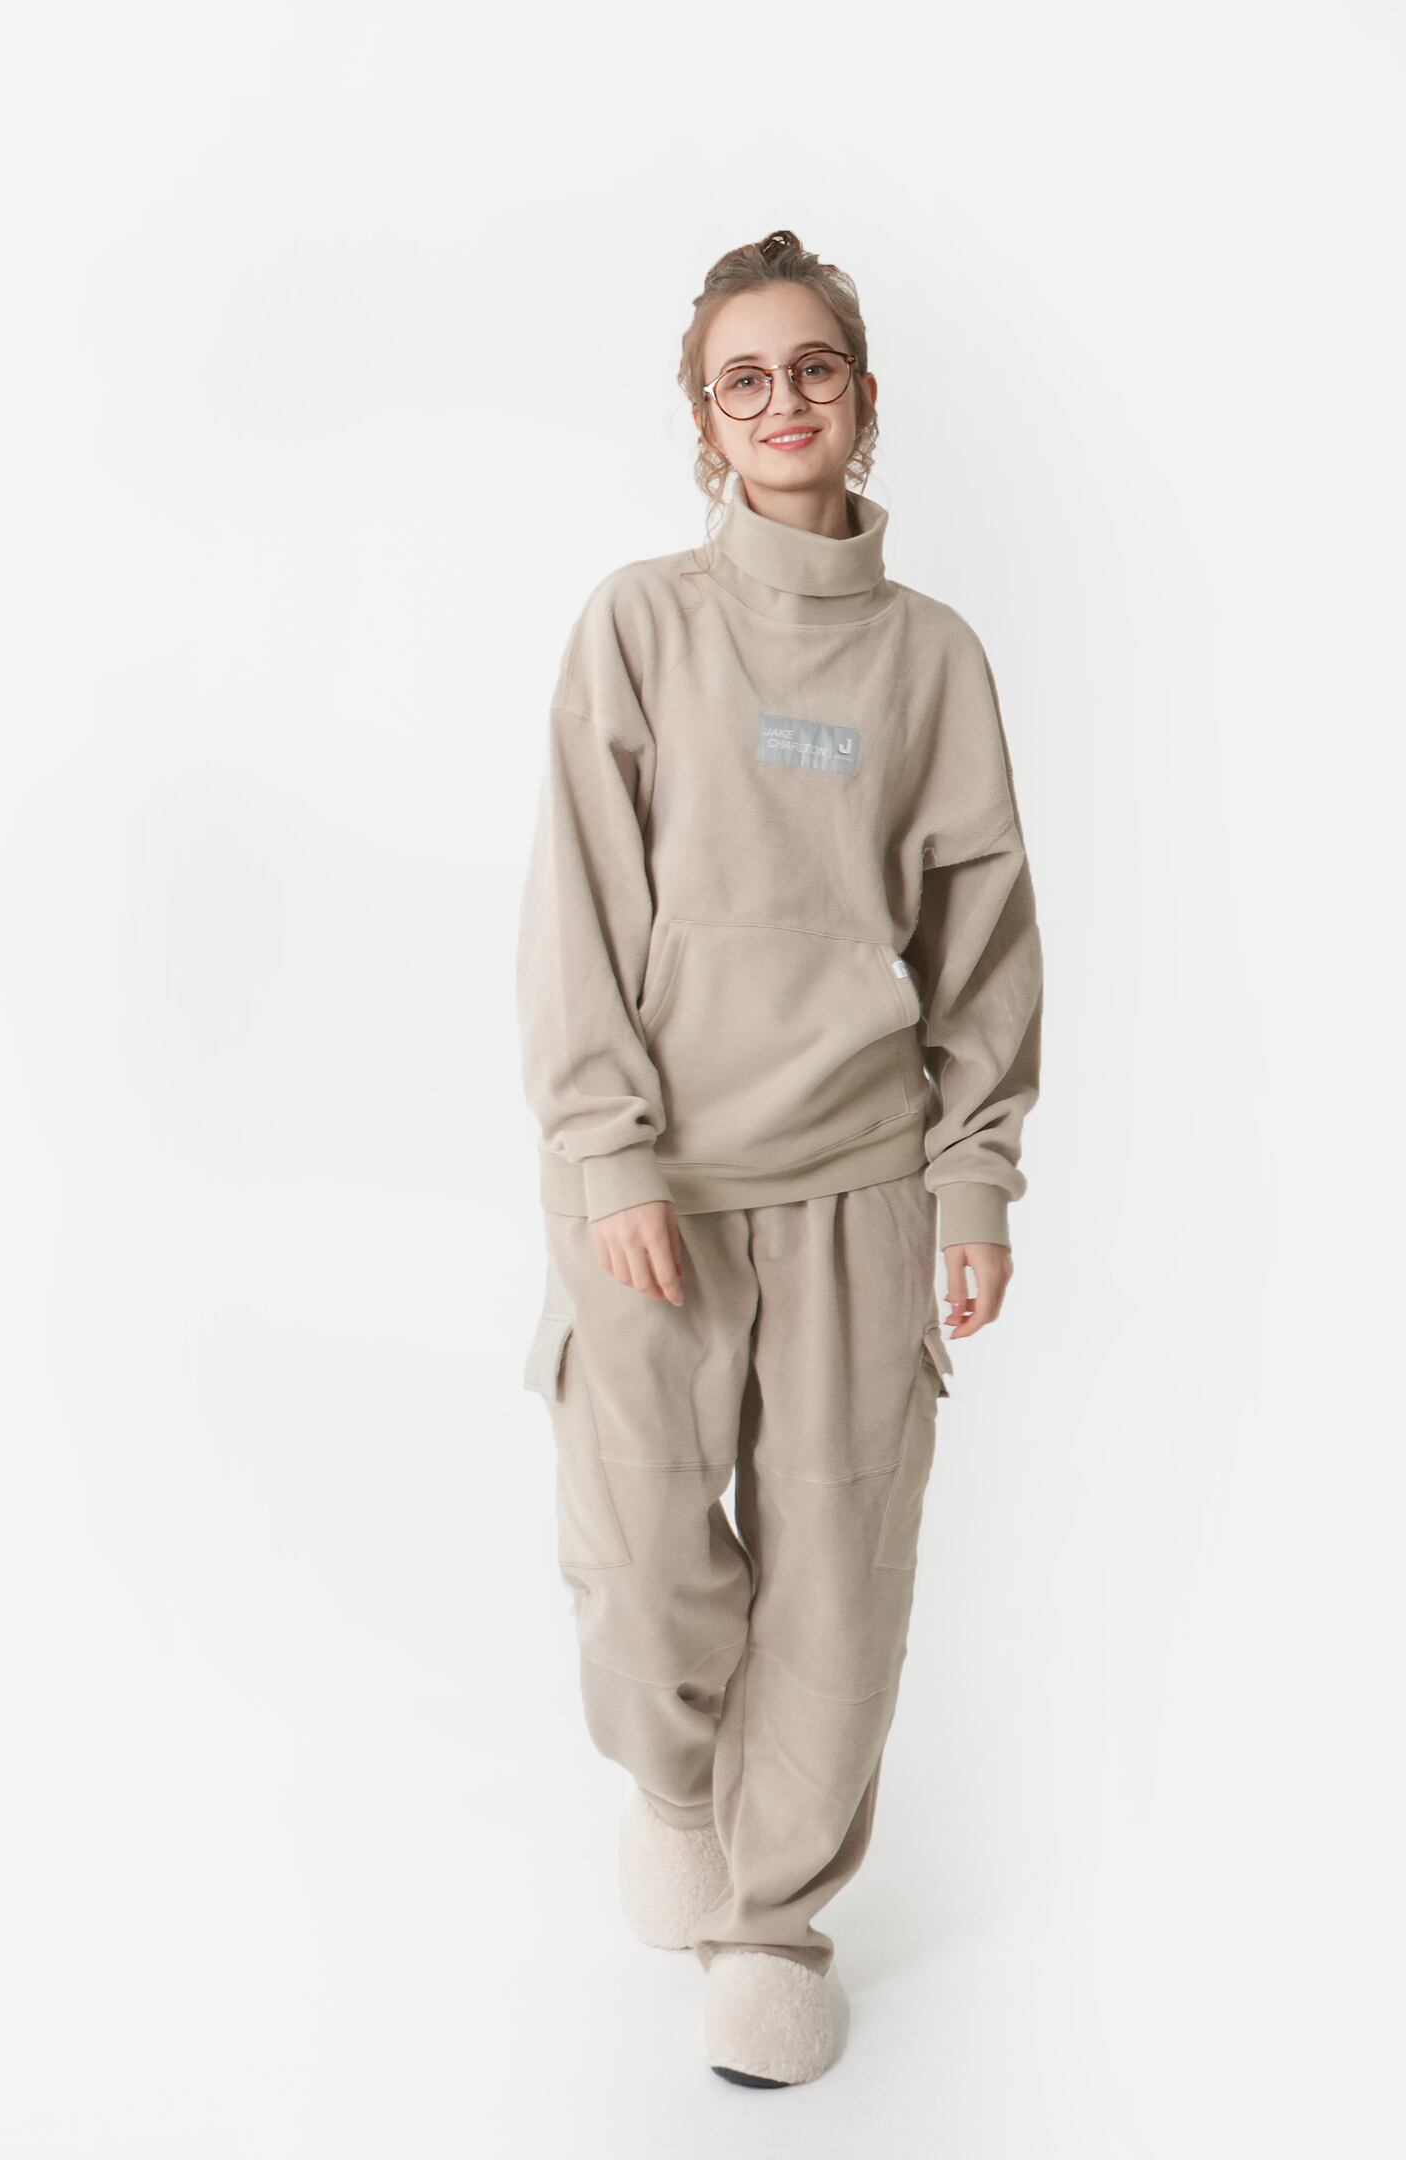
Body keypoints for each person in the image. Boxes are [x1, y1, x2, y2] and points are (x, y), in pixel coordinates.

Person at [514, 227, 1043, 2087]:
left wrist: (972, 1180)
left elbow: (982, 945)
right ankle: (680, 1794)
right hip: (655, 1191)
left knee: (835, 1593)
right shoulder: (640, 627)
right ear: (704, 420)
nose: (784, 401)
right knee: (640, 1572)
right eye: (744, 378)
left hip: (860, 1189)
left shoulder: (933, 659)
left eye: (814, 368)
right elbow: (577, 911)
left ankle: (772, 1923)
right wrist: (608, 1154)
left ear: (863, 399)